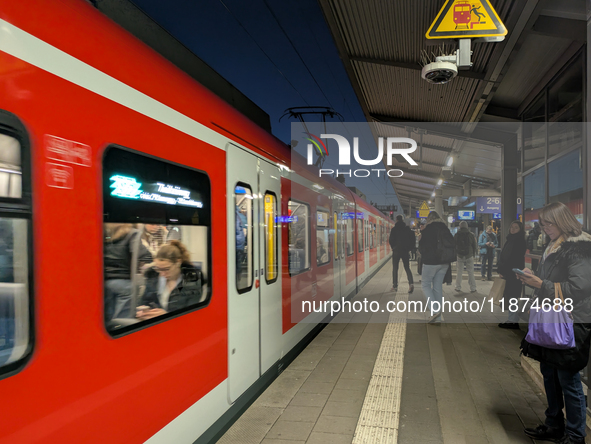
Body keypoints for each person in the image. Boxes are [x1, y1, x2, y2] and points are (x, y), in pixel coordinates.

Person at [518, 202, 591, 444]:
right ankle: (554, 424)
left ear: (562, 221)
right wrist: (534, 279)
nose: (544, 228)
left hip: (572, 322)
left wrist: (542, 285)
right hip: (552, 320)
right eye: (542, 224)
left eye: (548, 223)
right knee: (549, 373)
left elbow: (580, 288)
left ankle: (576, 434)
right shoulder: (554, 246)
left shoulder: (579, 248)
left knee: (568, 379)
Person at [137, 240, 202, 320]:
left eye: (166, 269)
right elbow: (144, 301)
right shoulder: (153, 278)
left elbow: (192, 316)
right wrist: (143, 311)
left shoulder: (192, 282)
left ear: (178, 262)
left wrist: (167, 316)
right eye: (158, 269)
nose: (162, 274)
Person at [104, 223, 152, 321]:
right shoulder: (132, 234)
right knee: (122, 321)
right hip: (124, 282)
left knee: (108, 320)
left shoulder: (104, 234)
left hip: (104, 282)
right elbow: (145, 256)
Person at [419, 211, 455, 323]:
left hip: (430, 262)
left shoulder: (427, 230)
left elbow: (421, 247)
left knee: (425, 285)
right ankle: (438, 318)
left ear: (429, 219)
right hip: (444, 263)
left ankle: (435, 311)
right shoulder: (445, 229)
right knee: (437, 288)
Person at [497, 220, 527, 329]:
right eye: (512, 227)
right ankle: (512, 319)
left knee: (513, 296)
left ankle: (513, 320)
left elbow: (513, 259)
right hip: (509, 273)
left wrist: (504, 271)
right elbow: (504, 256)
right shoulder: (509, 239)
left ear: (520, 230)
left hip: (514, 273)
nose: (513, 229)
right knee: (510, 296)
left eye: (516, 228)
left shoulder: (519, 241)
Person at [389, 215, 414, 292]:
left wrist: (393, 247)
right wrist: (409, 248)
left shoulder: (394, 229)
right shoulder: (407, 229)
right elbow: (412, 239)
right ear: (403, 220)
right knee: (407, 267)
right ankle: (411, 284)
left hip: (396, 251)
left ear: (396, 220)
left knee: (395, 268)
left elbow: (391, 240)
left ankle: (395, 286)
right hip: (405, 251)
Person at [454, 221, 477, 293]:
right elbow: (474, 245)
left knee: (459, 271)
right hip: (469, 255)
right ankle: (473, 288)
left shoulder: (457, 234)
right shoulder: (471, 234)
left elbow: (454, 245)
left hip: (460, 255)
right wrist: (474, 254)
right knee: (470, 272)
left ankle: (458, 287)